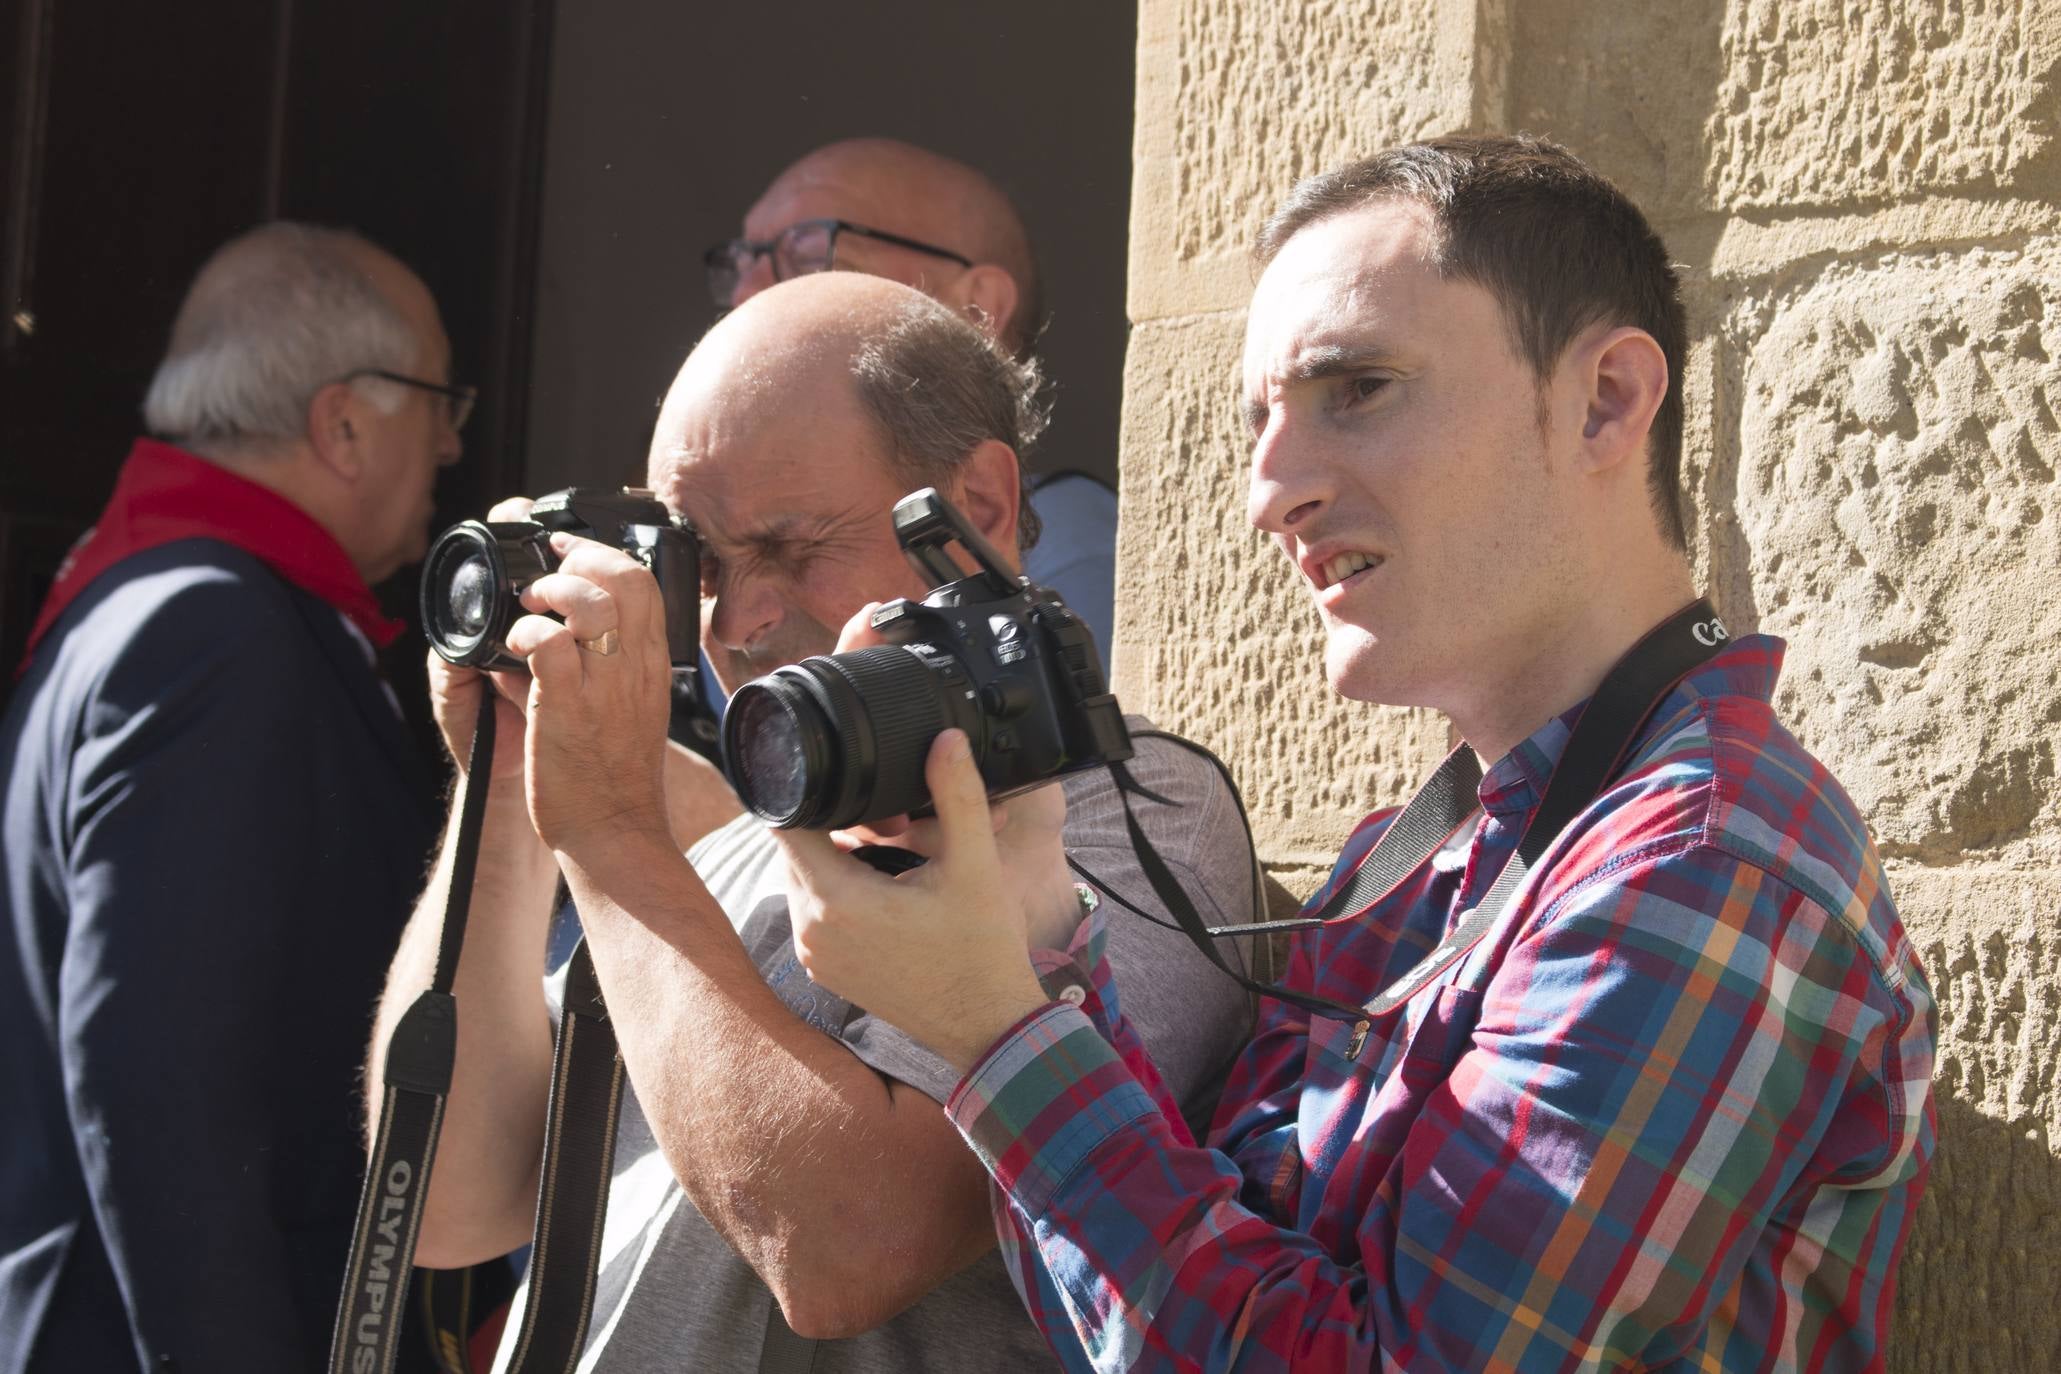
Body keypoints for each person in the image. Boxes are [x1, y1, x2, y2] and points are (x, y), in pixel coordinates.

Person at [773, 136, 1939, 1371]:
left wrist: (997, 1035)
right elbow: (1156, 1319)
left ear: (1606, 401)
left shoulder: (1701, 868)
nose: (1268, 492)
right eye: (1260, 420)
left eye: (1359, 389)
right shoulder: (1425, 855)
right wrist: (1030, 930)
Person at [377, 272, 1255, 1371]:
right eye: (699, 565)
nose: (736, 623)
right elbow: (456, 1203)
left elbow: (843, 1254)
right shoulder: (727, 840)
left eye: (791, 547)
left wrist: (609, 839)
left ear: (976, 508)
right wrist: (509, 793)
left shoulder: (1125, 818)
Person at [0, 222, 463, 1370]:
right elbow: (164, 1104)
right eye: (441, 402)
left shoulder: (149, 593)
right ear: (344, 423)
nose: (455, 443)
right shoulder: (212, 628)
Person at [706, 136, 1119, 665]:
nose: (746, 296)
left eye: (808, 252)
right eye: (742, 262)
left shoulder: (1074, 543)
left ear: (977, 311)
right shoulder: (731, 559)